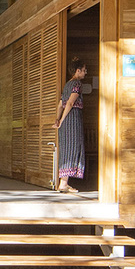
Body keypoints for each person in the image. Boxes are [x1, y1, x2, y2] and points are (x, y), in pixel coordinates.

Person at [55, 61, 88, 193]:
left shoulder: (67, 85)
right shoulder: (77, 84)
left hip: (65, 121)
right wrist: (62, 120)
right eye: (84, 70)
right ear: (77, 71)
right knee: (73, 148)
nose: (85, 72)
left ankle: (64, 183)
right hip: (72, 119)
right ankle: (63, 183)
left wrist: (57, 120)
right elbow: (69, 103)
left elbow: (60, 104)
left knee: (66, 148)